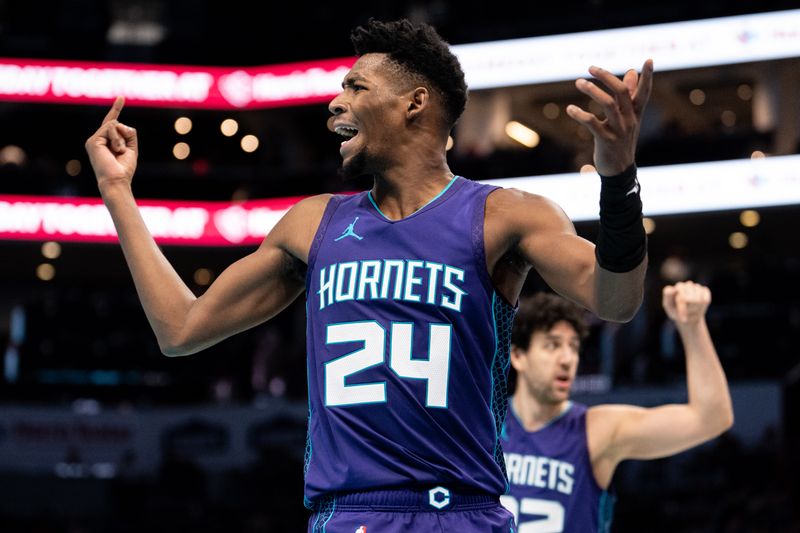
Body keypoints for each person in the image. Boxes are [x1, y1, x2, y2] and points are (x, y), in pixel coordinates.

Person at [85, 18, 653, 533]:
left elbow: (616, 298)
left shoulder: (507, 214)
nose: (335, 103)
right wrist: (118, 195)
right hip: (348, 515)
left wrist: (619, 177)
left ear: (415, 102)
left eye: (355, 87)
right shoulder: (313, 224)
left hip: (462, 514)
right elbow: (180, 329)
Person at [501, 281, 733, 532]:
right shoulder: (484, 426)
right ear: (518, 356)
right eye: (553, 345)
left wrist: (692, 325)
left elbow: (711, 418)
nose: (568, 359)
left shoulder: (596, 430)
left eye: (574, 347)